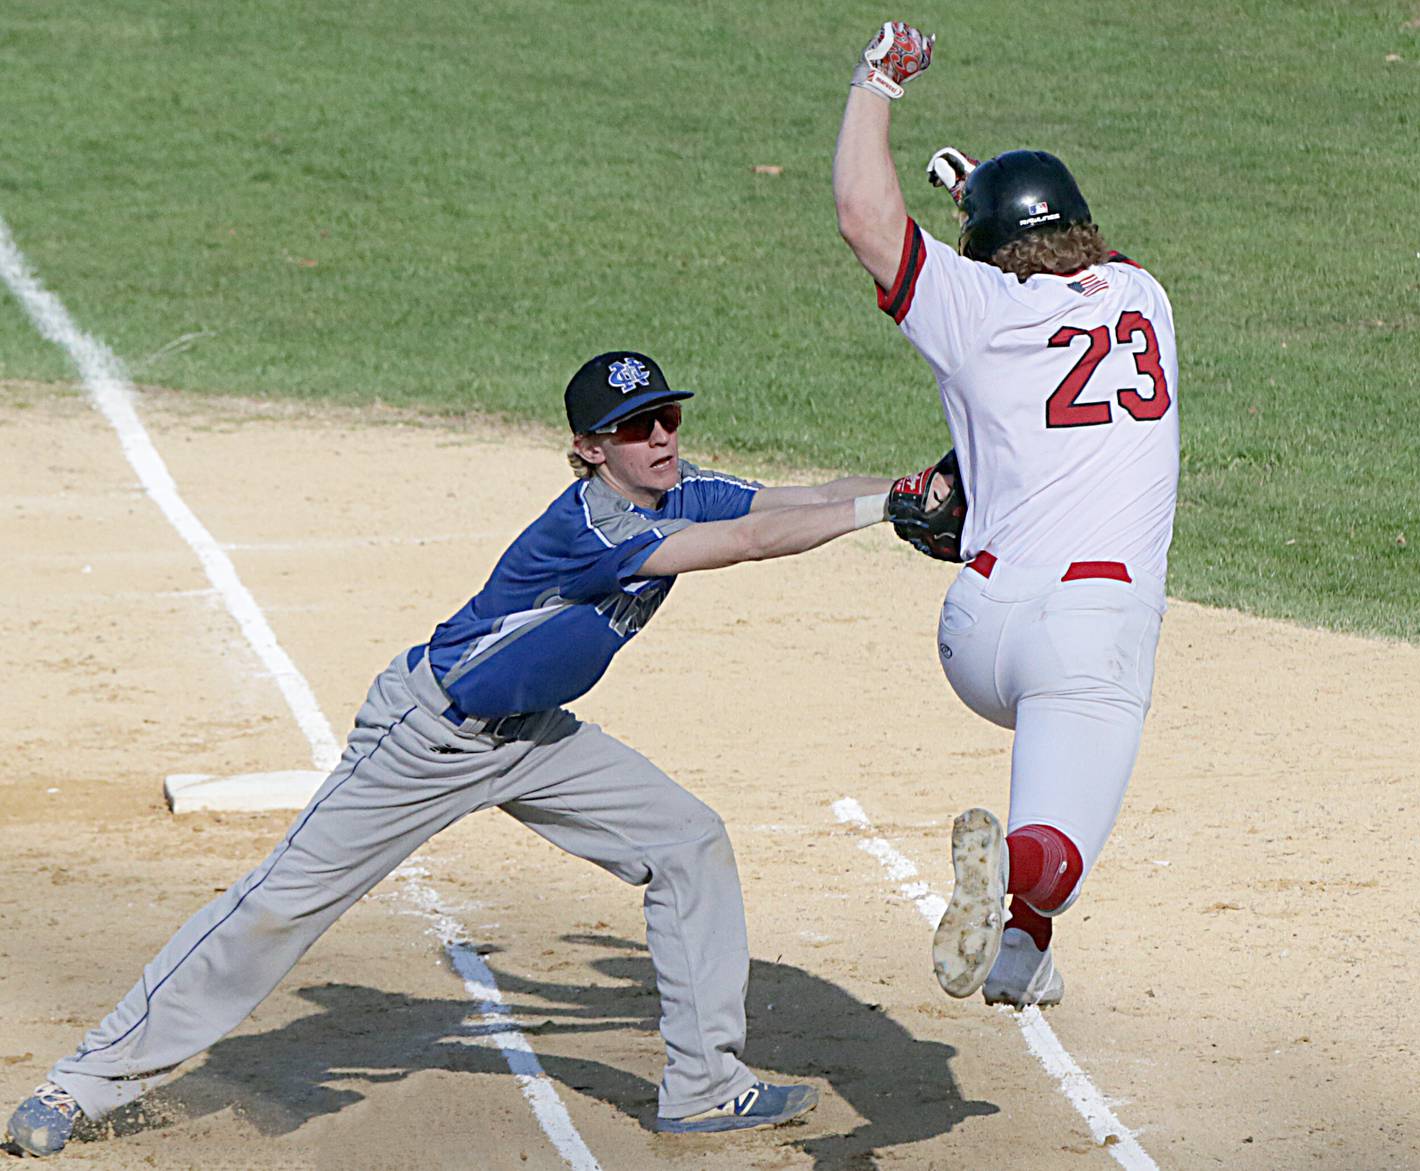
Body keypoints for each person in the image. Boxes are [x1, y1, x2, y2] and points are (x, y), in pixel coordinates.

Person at [4, 351, 905, 1156]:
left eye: (668, 417)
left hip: (532, 736)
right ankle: (78, 1084)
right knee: (278, 904)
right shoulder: (594, 528)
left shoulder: (675, 487)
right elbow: (748, 543)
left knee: (687, 840)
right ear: (590, 447)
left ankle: (706, 1089)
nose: (661, 437)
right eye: (636, 427)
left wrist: (915, 492)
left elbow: (793, 498)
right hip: (430, 737)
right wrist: (883, 509)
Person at [834, 24, 1180, 1008]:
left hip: (976, 630)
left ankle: (1021, 953)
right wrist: (983, 188)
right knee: (1055, 851)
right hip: (1089, 636)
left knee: (1048, 739)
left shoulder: (975, 305)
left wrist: (878, 84)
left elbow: (866, 214)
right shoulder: (1141, 296)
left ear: (986, 247)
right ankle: (1016, 883)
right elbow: (1068, 253)